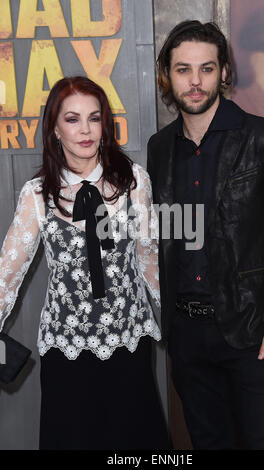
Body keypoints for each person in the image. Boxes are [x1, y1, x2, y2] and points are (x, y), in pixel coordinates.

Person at [147, 20, 264, 450]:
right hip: (187, 334)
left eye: (206, 69)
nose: (195, 82)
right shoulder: (159, 148)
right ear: (167, 75)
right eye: (183, 70)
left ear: (224, 72)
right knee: (208, 442)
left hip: (253, 332)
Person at [0, 76, 169, 450]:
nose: (86, 130)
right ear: (55, 129)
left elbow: (149, 260)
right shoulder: (38, 195)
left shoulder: (134, 181)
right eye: (73, 119)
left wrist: (184, 322)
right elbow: (6, 277)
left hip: (129, 342)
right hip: (67, 351)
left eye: (94, 118)